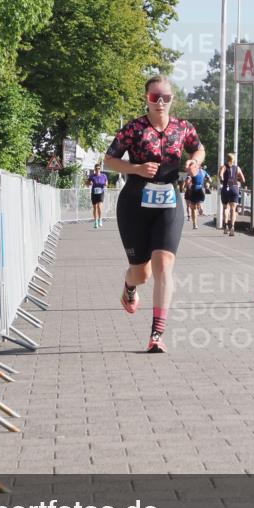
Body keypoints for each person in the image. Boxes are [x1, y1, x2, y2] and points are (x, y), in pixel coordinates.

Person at [103, 75, 205, 353]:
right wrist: (135, 169)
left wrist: (194, 162)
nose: (160, 102)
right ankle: (129, 285)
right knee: (142, 273)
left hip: (169, 200)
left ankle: (156, 335)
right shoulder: (134, 128)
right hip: (135, 202)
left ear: (172, 100)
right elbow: (108, 160)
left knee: (164, 265)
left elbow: (198, 148)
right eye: (154, 97)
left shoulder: (183, 128)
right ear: (146, 99)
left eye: (166, 98)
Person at [218, 152, 245, 236]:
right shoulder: (237, 168)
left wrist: (222, 180)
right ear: (233, 160)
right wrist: (237, 181)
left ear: (226, 159)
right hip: (234, 188)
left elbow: (220, 174)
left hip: (226, 187)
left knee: (226, 208)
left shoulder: (224, 167)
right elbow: (243, 180)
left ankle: (225, 226)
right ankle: (232, 227)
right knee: (233, 209)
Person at [185, 159, 209, 229]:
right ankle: (200, 206)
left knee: (193, 208)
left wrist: (188, 188)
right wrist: (207, 183)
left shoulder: (192, 171)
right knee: (198, 201)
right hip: (201, 189)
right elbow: (209, 179)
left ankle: (195, 224)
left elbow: (187, 180)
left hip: (194, 189)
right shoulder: (204, 172)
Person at [86, 163, 108, 228]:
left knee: (99, 206)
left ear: (100, 169)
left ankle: (100, 220)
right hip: (94, 193)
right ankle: (95, 222)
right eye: (96, 168)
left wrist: (105, 184)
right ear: (94, 169)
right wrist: (89, 183)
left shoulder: (104, 176)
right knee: (95, 207)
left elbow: (106, 183)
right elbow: (87, 183)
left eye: (98, 168)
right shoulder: (92, 176)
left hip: (101, 193)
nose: (97, 169)